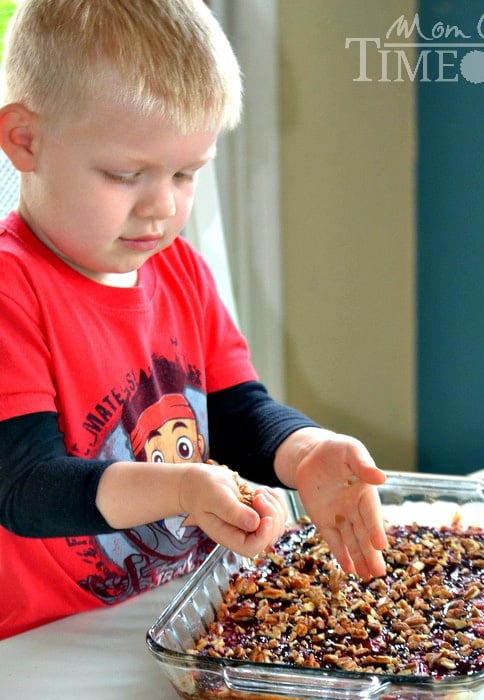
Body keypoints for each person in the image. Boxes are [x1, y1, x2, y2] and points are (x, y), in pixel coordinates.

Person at [0, 0, 388, 640]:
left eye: (185, 174)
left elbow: (237, 414)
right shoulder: (13, 291)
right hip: (45, 639)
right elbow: (24, 486)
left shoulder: (181, 271)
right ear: (25, 140)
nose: (160, 208)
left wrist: (306, 452)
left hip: (174, 611)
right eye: (125, 174)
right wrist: (183, 487)